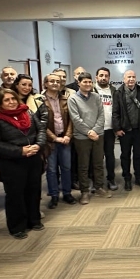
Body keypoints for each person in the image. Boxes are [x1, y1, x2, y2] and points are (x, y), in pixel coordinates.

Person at [0, 89, 46, 239]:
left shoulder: (28, 113)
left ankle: (34, 220)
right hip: (12, 162)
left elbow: (41, 130)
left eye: (13, 98)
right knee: (15, 195)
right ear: (0, 103)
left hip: (33, 158)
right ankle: (17, 227)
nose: (11, 102)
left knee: (34, 190)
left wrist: (38, 145)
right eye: (6, 100)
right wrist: (20, 151)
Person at [69, 72, 111, 204]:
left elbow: (101, 115)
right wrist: (88, 132)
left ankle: (99, 187)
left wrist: (95, 131)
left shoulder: (96, 97)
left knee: (98, 163)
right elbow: (76, 119)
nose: (87, 84)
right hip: (81, 137)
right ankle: (84, 192)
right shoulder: (73, 99)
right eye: (84, 82)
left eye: (89, 82)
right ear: (79, 83)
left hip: (98, 135)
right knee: (83, 166)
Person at [43, 73, 75, 209]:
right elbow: (41, 124)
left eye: (57, 81)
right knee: (51, 170)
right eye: (52, 81)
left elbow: (71, 119)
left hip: (65, 138)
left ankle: (67, 193)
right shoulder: (40, 100)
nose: (55, 83)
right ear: (46, 84)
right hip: (50, 141)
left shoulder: (66, 99)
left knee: (67, 168)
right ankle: (54, 195)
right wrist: (55, 138)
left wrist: (67, 135)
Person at [113, 70, 140, 190]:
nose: (131, 79)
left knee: (138, 155)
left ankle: (139, 178)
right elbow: (115, 112)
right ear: (124, 79)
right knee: (125, 156)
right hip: (125, 131)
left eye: (133, 77)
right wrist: (117, 129)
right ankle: (127, 178)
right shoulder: (118, 93)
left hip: (138, 130)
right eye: (129, 77)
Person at [94, 67, 118, 190]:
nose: (103, 78)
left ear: (109, 77)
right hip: (95, 129)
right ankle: (96, 182)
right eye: (101, 75)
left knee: (109, 156)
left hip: (109, 129)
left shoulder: (113, 90)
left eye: (106, 76)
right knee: (96, 157)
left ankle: (111, 179)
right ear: (96, 77)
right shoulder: (91, 90)